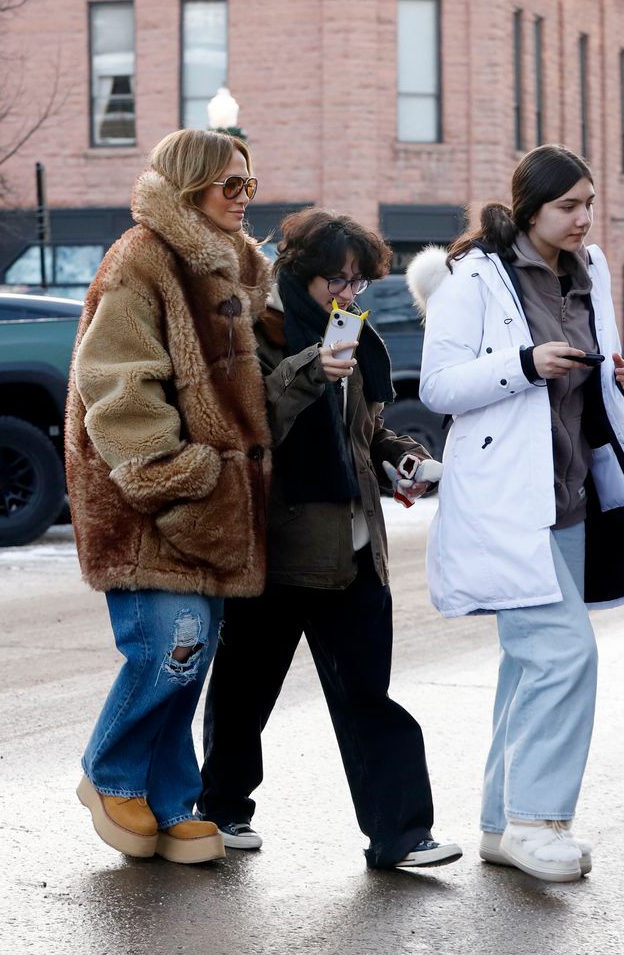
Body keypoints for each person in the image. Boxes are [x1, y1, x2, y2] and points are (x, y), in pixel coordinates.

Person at [408, 144, 624, 883]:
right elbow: (439, 387)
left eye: (588, 203)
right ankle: (536, 820)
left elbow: (596, 390)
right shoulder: (474, 279)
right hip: (505, 502)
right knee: (564, 655)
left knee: (529, 664)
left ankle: (498, 822)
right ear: (530, 209)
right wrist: (523, 365)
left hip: (570, 494)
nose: (584, 218)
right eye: (568, 206)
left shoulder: (592, 271)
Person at [197, 208, 461, 869]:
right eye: (335, 282)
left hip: (353, 543)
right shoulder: (258, 328)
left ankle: (400, 833)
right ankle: (222, 809)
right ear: (298, 273)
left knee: (369, 695)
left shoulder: (355, 335)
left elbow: (362, 434)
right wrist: (314, 367)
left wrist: (401, 454)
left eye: (360, 284)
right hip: (279, 549)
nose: (348, 296)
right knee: (243, 693)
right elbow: (251, 429)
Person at [66, 128, 272, 865]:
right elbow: (116, 383)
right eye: (231, 186)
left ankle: (168, 799)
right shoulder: (143, 257)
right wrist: (178, 476)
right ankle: (110, 772)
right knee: (170, 650)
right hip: (148, 502)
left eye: (250, 186)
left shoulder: (238, 267)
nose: (246, 200)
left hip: (215, 505)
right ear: (191, 188)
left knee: (194, 654)